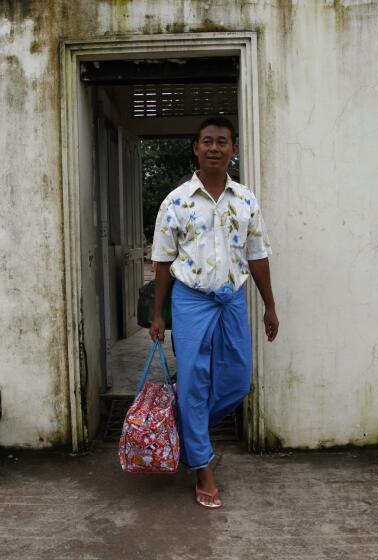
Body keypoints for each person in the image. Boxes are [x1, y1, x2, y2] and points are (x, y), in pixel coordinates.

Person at [150, 116, 279, 509]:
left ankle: (186, 428)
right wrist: (159, 315)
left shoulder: (245, 199)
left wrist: (270, 304)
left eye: (222, 142)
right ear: (196, 147)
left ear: (233, 150)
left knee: (237, 380)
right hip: (190, 301)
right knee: (194, 380)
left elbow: (256, 255)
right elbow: (161, 261)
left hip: (233, 298)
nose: (214, 148)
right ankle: (202, 467)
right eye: (207, 141)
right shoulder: (176, 201)